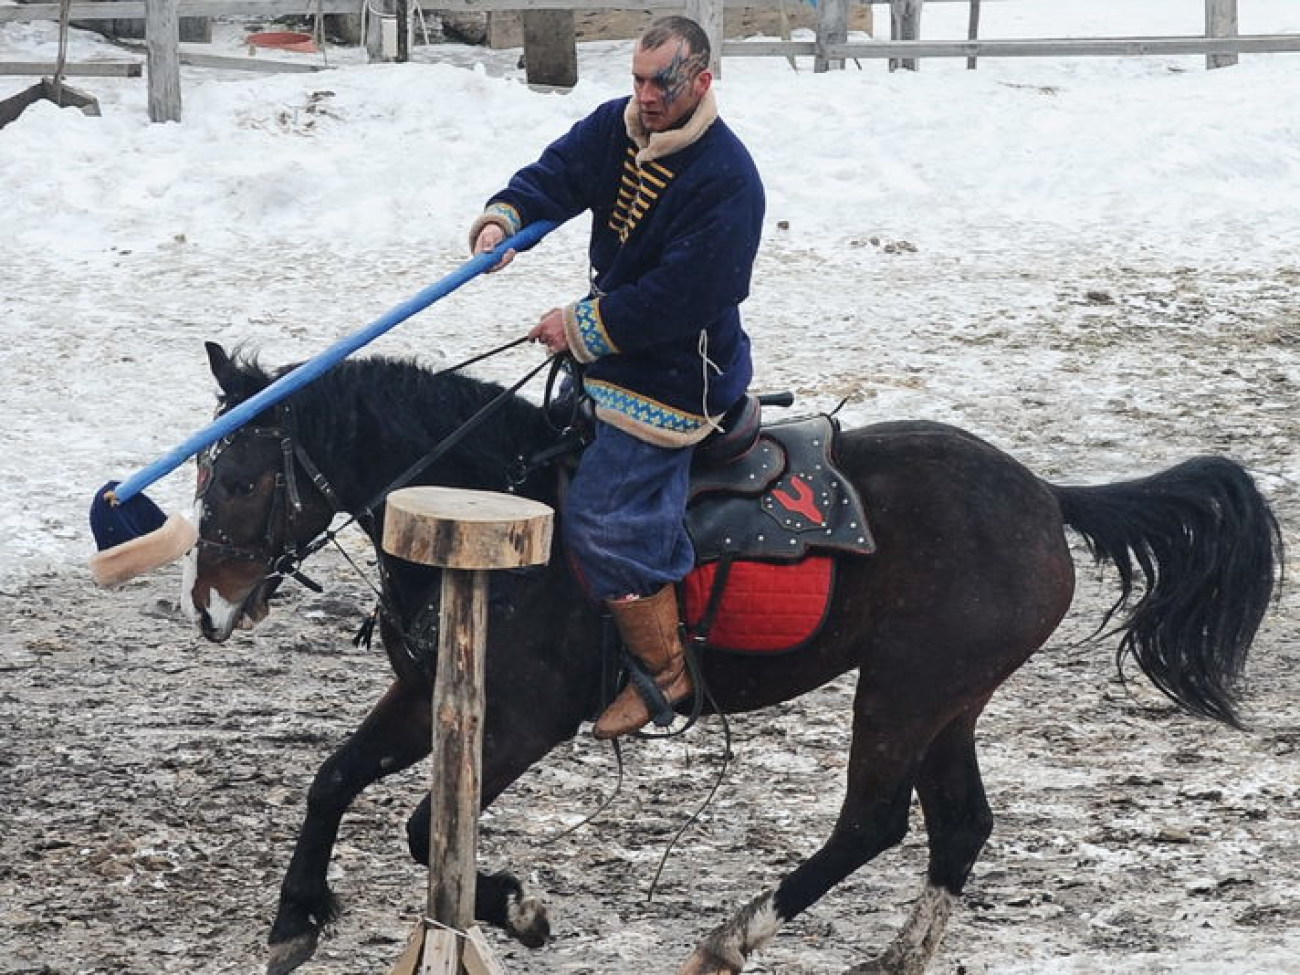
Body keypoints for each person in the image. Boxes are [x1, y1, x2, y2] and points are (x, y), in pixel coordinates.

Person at [469, 16, 765, 739]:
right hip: (615, 357)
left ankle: (666, 670)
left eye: (660, 83)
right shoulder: (617, 127)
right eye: (636, 80)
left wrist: (581, 327)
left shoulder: (728, 179)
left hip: (678, 375)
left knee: (604, 510)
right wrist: (506, 219)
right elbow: (558, 176)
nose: (646, 96)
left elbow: (687, 293)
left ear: (702, 79)